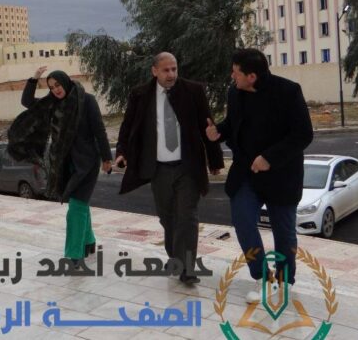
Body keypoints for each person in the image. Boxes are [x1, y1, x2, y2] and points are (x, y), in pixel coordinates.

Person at [206, 48, 313, 303]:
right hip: (246, 173)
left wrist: (269, 158)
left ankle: (284, 281)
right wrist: (218, 132)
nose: (232, 76)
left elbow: (303, 135)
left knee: (283, 233)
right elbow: (233, 124)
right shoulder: (235, 93)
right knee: (242, 221)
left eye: (236, 72)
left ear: (252, 76)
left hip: (282, 176)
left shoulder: (288, 92)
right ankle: (263, 277)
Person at [115, 52, 224, 285]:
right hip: (158, 168)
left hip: (188, 166)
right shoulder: (140, 95)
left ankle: (187, 269)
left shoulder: (193, 91)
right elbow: (128, 126)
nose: (171, 74)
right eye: (166, 70)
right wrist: (122, 152)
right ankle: (176, 257)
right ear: (154, 71)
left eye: (174, 69)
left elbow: (207, 125)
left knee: (187, 217)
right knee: (167, 218)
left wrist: (215, 160)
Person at [7, 66, 113, 264]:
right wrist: (34, 78)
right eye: (51, 87)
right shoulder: (52, 104)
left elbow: (99, 130)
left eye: (57, 85)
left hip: (87, 163)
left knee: (76, 206)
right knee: (80, 204)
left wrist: (107, 158)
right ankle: (89, 241)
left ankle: (74, 254)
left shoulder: (86, 100)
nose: (55, 89)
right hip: (64, 163)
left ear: (65, 82)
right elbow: (27, 102)